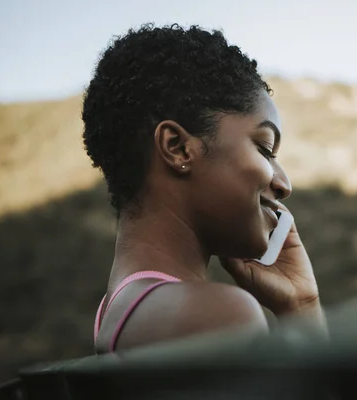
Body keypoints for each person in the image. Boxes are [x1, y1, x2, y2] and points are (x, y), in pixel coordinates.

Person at [82, 23, 327, 354]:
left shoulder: (121, 312)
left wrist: (299, 304)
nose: (283, 185)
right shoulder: (216, 317)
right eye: (265, 149)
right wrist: (306, 316)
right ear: (177, 148)